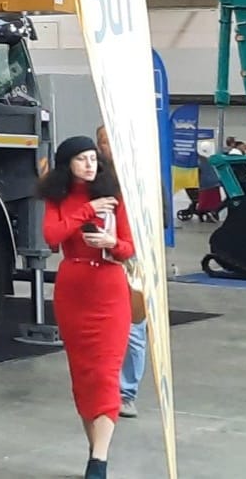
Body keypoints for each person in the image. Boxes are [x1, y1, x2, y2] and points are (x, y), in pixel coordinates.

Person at [41, 134, 135, 479]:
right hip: (73, 289)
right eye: (82, 159)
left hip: (109, 287)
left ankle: (99, 459)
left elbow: (129, 247)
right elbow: (52, 236)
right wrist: (87, 212)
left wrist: (111, 242)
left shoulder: (114, 196)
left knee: (106, 372)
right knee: (83, 375)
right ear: (68, 165)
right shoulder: (58, 198)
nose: (90, 164)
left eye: (93, 158)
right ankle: (95, 450)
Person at [96, 125, 142, 419]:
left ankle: (127, 393)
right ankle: (109, 388)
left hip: (133, 252)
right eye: (101, 141)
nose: (105, 147)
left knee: (134, 326)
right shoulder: (95, 176)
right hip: (104, 255)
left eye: (109, 141)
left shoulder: (136, 172)